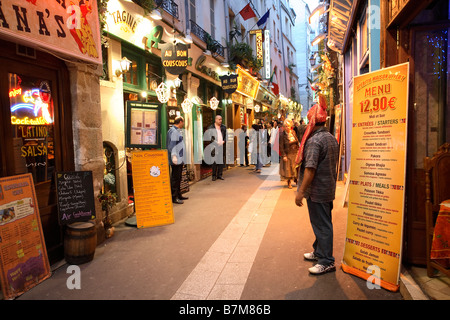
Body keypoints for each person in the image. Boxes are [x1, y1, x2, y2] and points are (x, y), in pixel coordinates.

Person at [294, 94, 339, 275]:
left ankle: (327, 261)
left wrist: (301, 192)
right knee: (322, 223)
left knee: (322, 225)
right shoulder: (330, 137)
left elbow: (310, 170)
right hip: (327, 188)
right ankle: (320, 252)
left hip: (318, 191)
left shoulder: (314, 141)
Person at [167, 116, 188, 204]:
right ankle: (174, 197)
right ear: (180, 122)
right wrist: (174, 156)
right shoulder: (173, 131)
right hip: (176, 159)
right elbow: (172, 146)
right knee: (175, 178)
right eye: (183, 122)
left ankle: (179, 194)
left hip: (180, 158)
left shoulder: (176, 131)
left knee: (179, 177)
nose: (183, 124)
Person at [279, 119, 299, 189]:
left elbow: (297, 141)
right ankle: (289, 182)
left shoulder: (293, 132)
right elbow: (281, 146)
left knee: (295, 168)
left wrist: (298, 149)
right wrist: (284, 155)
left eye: (288, 126)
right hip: (288, 153)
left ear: (291, 126)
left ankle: (296, 180)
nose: (287, 127)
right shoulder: (282, 135)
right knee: (288, 169)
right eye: (286, 126)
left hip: (295, 152)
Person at [207, 115, 227, 181]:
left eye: (221, 119)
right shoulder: (211, 127)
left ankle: (220, 175)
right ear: (215, 120)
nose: (220, 121)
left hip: (221, 146)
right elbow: (210, 137)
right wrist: (216, 143)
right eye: (219, 119)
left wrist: (223, 141)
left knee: (221, 161)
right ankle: (213, 175)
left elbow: (226, 136)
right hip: (214, 146)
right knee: (214, 162)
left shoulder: (223, 127)